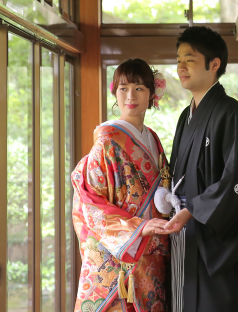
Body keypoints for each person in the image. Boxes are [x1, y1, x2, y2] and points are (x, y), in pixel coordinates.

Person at [158, 26, 238, 312]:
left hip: (214, 242)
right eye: (179, 60)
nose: (181, 67)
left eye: (189, 59)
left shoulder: (233, 115)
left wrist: (193, 211)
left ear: (214, 64)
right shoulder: (185, 116)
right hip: (184, 234)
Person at [71, 58, 171, 312]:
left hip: (152, 250)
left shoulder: (152, 138)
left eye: (139, 88)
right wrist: (138, 227)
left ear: (152, 94)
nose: (130, 96)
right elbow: (91, 200)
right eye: (123, 88)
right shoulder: (107, 141)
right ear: (115, 91)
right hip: (122, 252)